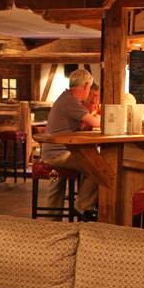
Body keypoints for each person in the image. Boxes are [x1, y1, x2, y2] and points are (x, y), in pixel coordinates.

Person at [41, 69, 101, 220]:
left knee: (91, 164)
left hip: (55, 151)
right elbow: (95, 122)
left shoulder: (66, 98)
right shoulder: (70, 101)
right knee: (98, 167)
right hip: (58, 154)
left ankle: (55, 219)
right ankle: (82, 207)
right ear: (86, 85)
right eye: (90, 89)